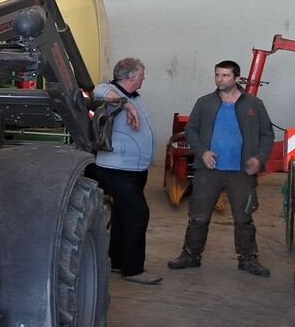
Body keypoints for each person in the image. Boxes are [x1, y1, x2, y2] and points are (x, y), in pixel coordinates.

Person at [168, 60, 274, 277]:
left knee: (244, 217)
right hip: (209, 171)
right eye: (217, 75)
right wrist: (203, 152)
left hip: (241, 172)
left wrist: (258, 159)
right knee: (198, 216)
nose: (220, 79)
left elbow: (267, 135)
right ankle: (190, 255)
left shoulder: (254, 104)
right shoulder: (204, 103)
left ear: (236, 78)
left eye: (225, 76)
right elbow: (191, 130)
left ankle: (248, 259)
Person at [91, 58, 161, 284]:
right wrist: (127, 105)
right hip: (117, 170)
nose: (143, 78)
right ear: (130, 77)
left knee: (123, 215)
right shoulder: (110, 91)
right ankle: (134, 270)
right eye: (141, 74)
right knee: (138, 215)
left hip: (133, 169)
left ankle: (118, 261)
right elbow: (97, 93)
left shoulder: (134, 96)